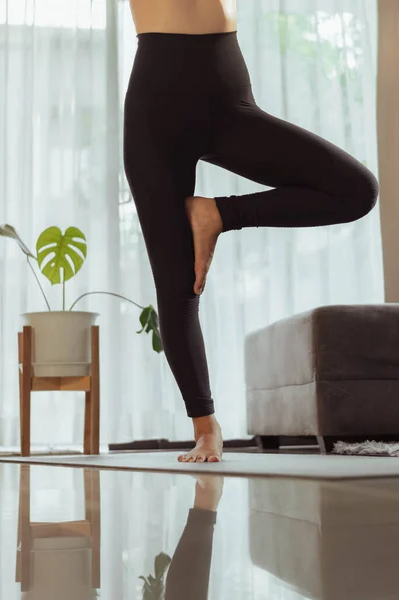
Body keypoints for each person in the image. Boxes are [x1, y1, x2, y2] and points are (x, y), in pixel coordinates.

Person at [124, 0, 379, 463]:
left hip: (225, 93)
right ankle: (205, 428)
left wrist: (227, 210)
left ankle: (219, 214)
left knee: (356, 190)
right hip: (154, 109)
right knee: (178, 281)